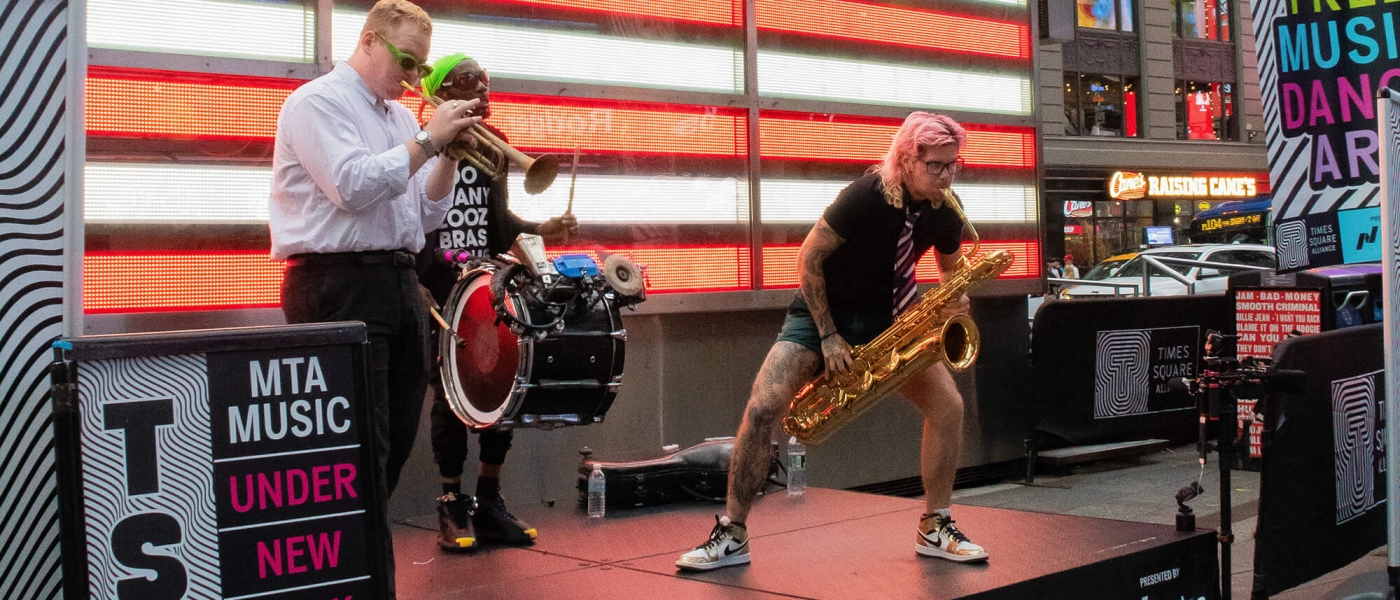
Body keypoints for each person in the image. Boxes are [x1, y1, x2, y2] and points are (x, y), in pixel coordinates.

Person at [675, 112, 989, 572]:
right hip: (822, 316)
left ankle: (935, 525)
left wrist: (955, 301)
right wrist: (828, 334)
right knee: (764, 408)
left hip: (891, 319)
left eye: (953, 165)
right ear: (906, 159)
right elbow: (809, 257)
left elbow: (948, 272)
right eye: (936, 166)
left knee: (950, 408)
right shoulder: (863, 196)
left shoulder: (944, 207)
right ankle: (732, 533)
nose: (946, 176)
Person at [269, 1, 478, 592]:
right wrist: (428, 142)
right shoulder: (317, 102)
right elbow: (352, 187)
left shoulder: (393, 118)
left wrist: (447, 158)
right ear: (368, 40)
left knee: (389, 448)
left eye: (420, 67)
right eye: (406, 61)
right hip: (336, 283)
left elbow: (425, 214)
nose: (414, 79)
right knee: (359, 448)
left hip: (396, 281)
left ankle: (346, 569)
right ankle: (360, 582)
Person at [413, 53, 578, 552]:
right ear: (441, 94)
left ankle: (488, 499)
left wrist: (542, 229)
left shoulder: (496, 144)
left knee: (501, 388)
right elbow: (409, 215)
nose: (481, 95)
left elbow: (498, 222)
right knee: (448, 395)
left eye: (484, 87)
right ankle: (450, 503)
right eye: (469, 86)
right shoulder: (418, 142)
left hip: (486, 282)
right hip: (438, 283)